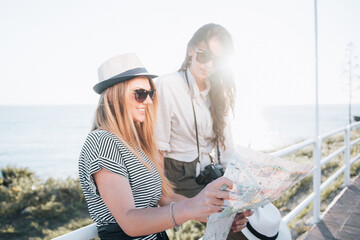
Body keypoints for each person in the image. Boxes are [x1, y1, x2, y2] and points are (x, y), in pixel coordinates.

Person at [78, 53, 235, 240]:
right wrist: (192, 207)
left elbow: (165, 198)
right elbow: (129, 221)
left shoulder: (137, 146)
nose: (149, 101)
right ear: (113, 97)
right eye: (140, 94)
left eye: (151, 93)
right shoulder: (102, 142)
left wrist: (220, 213)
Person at [155, 23, 252, 238]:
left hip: (208, 171)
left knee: (241, 220)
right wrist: (164, 196)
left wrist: (239, 193)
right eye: (203, 55)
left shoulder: (218, 93)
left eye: (216, 61)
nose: (208, 65)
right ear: (191, 50)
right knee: (229, 223)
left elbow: (227, 150)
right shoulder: (167, 86)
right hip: (176, 173)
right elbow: (156, 149)